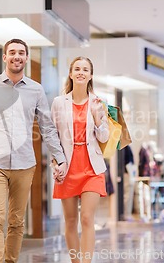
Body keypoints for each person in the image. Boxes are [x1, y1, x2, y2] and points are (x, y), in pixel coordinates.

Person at [0, 38, 66, 263]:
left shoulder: (36, 89)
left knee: (16, 221)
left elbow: (47, 128)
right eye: (12, 52)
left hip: (25, 164)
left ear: (27, 58)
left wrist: (59, 158)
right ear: (4, 57)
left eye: (21, 52)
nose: (16, 56)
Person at [51, 56, 109, 263]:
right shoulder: (59, 103)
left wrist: (97, 118)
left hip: (92, 168)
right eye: (77, 69)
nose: (81, 72)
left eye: (85, 69)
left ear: (91, 75)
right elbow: (52, 137)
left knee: (86, 218)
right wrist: (55, 162)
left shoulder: (98, 102)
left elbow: (104, 137)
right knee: (70, 221)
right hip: (68, 168)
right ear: (71, 73)